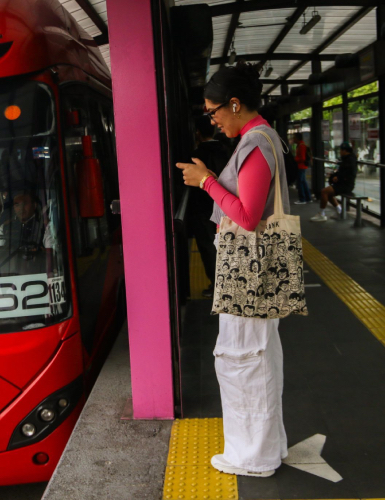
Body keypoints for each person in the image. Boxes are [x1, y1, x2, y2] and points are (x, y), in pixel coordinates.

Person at [176, 61, 289, 478]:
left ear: (235, 104)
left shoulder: (256, 143)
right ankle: (266, 446)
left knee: (245, 358)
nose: (213, 119)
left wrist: (206, 181)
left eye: (213, 111)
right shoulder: (258, 140)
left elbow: (247, 217)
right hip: (252, 268)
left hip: (250, 269)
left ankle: (254, 456)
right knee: (257, 357)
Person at [188, 115, 230, 297]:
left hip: (203, 208)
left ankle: (216, 285)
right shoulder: (227, 151)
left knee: (208, 246)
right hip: (227, 206)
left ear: (197, 133)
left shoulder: (196, 156)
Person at [310, 142, 358, 222]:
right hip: (344, 183)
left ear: (345, 151)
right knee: (328, 193)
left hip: (346, 185)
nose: (340, 152)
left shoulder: (350, 160)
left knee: (324, 192)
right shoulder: (347, 159)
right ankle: (339, 210)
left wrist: (338, 177)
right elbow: (342, 172)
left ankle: (322, 214)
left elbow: (348, 174)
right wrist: (335, 177)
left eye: (341, 150)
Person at [292, 132, 311, 204]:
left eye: (294, 138)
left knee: (300, 182)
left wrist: (295, 159)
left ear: (297, 138)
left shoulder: (301, 146)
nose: (293, 139)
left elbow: (302, 158)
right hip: (302, 166)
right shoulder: (301, 145)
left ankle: (302, 199)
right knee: (303, 182)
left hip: (301, 166)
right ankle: (308, 197)